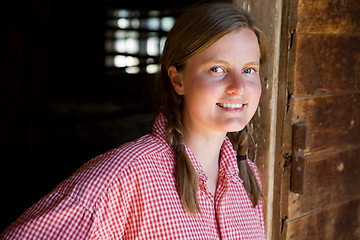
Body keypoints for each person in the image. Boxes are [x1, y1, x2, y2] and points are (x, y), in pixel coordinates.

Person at [1, 2, 267, 239]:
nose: (238, 86)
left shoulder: (247, 180)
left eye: (248, 70)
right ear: (178, 80)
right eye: (217, 69)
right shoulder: (126, 174)